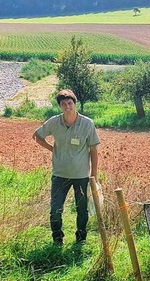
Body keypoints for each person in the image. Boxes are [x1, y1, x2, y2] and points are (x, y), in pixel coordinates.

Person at [33, 89, 100, 245]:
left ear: (75, 104)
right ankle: (57, 238)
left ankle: (81, 238)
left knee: (82, 210)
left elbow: (94, 150)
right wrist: (52, 149)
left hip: (81, 175)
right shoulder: (55, 122)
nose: (67, 106)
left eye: (70, 103)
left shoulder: (87, 123)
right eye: (63, 104)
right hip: (59, 174)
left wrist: (94, 175)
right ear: (60, 106)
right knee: (55, 209)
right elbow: (37, 136)